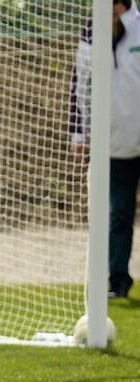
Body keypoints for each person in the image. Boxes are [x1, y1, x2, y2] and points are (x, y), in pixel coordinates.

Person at [70, 0, 140, 298]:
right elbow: (79, 85)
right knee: (119, 216)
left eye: (117, 6)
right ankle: (117, 281)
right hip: (113, 145)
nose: (113, 12)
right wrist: (78, 132)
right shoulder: (90, 34)